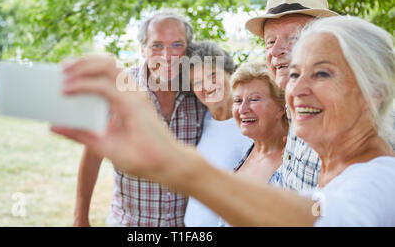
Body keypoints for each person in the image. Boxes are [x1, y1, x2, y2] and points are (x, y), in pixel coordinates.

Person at [52, 15, 395, 226]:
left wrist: (174, 164)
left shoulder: (381, 178)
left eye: (322, 73)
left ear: (375, 90)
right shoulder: (322, 162)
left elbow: (324, 219)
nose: (297, 88)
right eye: (293, 73)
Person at [72, 11, 206, 227]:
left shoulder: (202, 91)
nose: (167, 56)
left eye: (176, 45)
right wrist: (80, 219)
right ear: (143, 49)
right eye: (157, 46)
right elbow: (92, 155)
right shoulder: (119, 89)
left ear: (188, 49)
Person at [245, 0, 338, 191]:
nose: (276, 51)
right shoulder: (293, 105)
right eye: (270, 41)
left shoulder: (349, 115)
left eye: (293, 38)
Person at [183, 41, 253, 227]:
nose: (206, 85)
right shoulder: (203, 119)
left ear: (230, 72)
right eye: (197, 82)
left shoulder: (251, 124)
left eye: (212, 75)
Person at [218, 62, 288, 227]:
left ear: (281, 108)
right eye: (237, 100)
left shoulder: (293, 163)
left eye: (254, 99)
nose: (242, 109)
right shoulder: (248, 152)